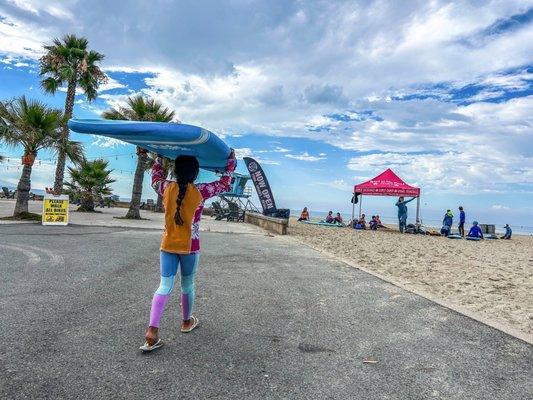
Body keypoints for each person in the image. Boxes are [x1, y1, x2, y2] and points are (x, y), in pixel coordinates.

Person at [140, 151, 236, 352]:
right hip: (190, 248)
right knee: (187, 285)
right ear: (196, 173)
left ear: (175, 171)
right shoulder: (202, 191)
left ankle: (152, 331)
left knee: (164, 285)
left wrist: (159, 157)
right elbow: (226, 183)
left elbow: (155, 177)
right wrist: (230, 162)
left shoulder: (165, 187)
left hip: (167, 246)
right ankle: (186, 322)